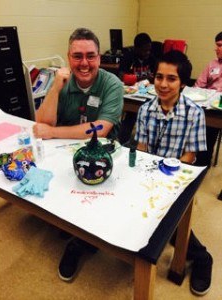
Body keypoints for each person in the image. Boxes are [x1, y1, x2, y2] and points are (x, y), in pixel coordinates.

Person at [33, 28, 124, 281]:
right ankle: (68, 225)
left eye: (90, 56)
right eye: (77, 56)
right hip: (65, 151)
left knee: (93, 202)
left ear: (99, 57)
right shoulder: (63, 81)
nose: (84, 63)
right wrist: (54, 89)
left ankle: (79, 243)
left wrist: (53, 132)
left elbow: (101, 128)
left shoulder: (112, 84)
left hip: (103, 156)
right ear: (68, 57)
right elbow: (42, 124)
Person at [134, 50, 213, 296]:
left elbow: (190, 158)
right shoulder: (145, 110)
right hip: (149, 175)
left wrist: (162, 183)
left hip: (177, 178)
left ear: (183, 83)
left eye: (171, 78)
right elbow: (141, 149)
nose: (163, 84)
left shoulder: (194, 113)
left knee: (171, 225)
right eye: (159, 77)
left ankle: (202, 258)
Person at [118, 33, 157, 145]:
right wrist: (143, 78)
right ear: (136, 48)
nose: (147, 53)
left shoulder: (151, 58)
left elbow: (156, 75)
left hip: (149, 93)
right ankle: (123, 141)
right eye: (145, 50)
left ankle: (148, 143)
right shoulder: (128, 57)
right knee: (131, 114)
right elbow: (122, 77)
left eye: (149, 50)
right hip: (132, 94)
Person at [194, 31, 222, 167]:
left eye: (220, 45)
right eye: (216, 45)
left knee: (210, 129)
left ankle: (203, 162)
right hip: (208, 107)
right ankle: (196, 158)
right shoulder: (212, 64)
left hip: (219, 110)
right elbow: (198, 85)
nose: (216, 49)